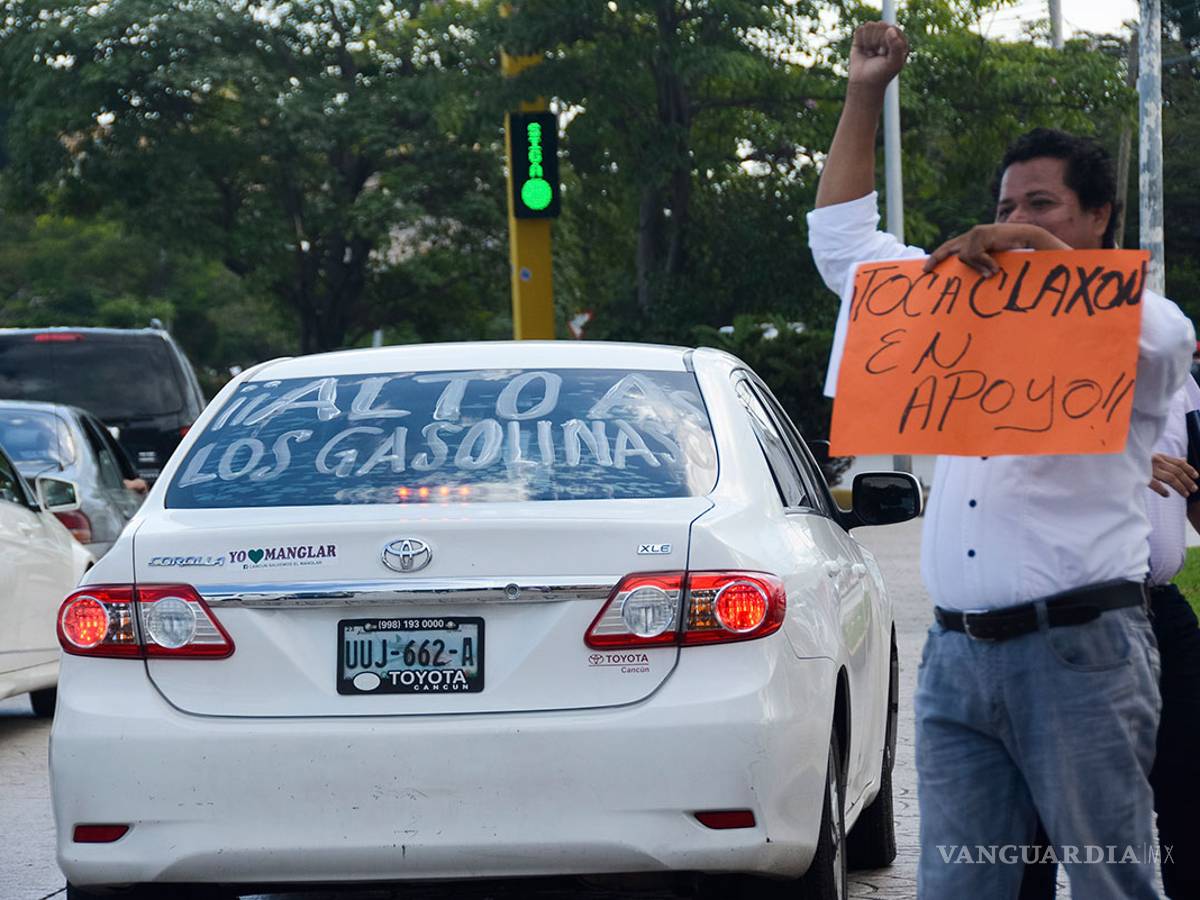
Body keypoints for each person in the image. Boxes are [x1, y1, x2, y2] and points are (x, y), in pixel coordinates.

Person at [807, 21, 1195, 899]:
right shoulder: (946, 307)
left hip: (1080, 651)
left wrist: (1052, 270)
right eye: (1006, 206)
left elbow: (1172, 337)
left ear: (1099, 220)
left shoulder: (1131, 333)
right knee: (958, 885)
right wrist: (865, 91)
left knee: (1110, 880)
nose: (1014, 223)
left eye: (1042, 206)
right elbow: (841, 246)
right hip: (956, 654)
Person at [1019, 376, 1200, 899]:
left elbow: (1197, 482)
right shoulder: (1027, 369)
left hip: (1156, 608)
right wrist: (1119, 464)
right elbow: (1008, 467)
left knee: (1190, 782)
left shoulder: (1175, 381)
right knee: (1046, 800)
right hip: (1059, 613)